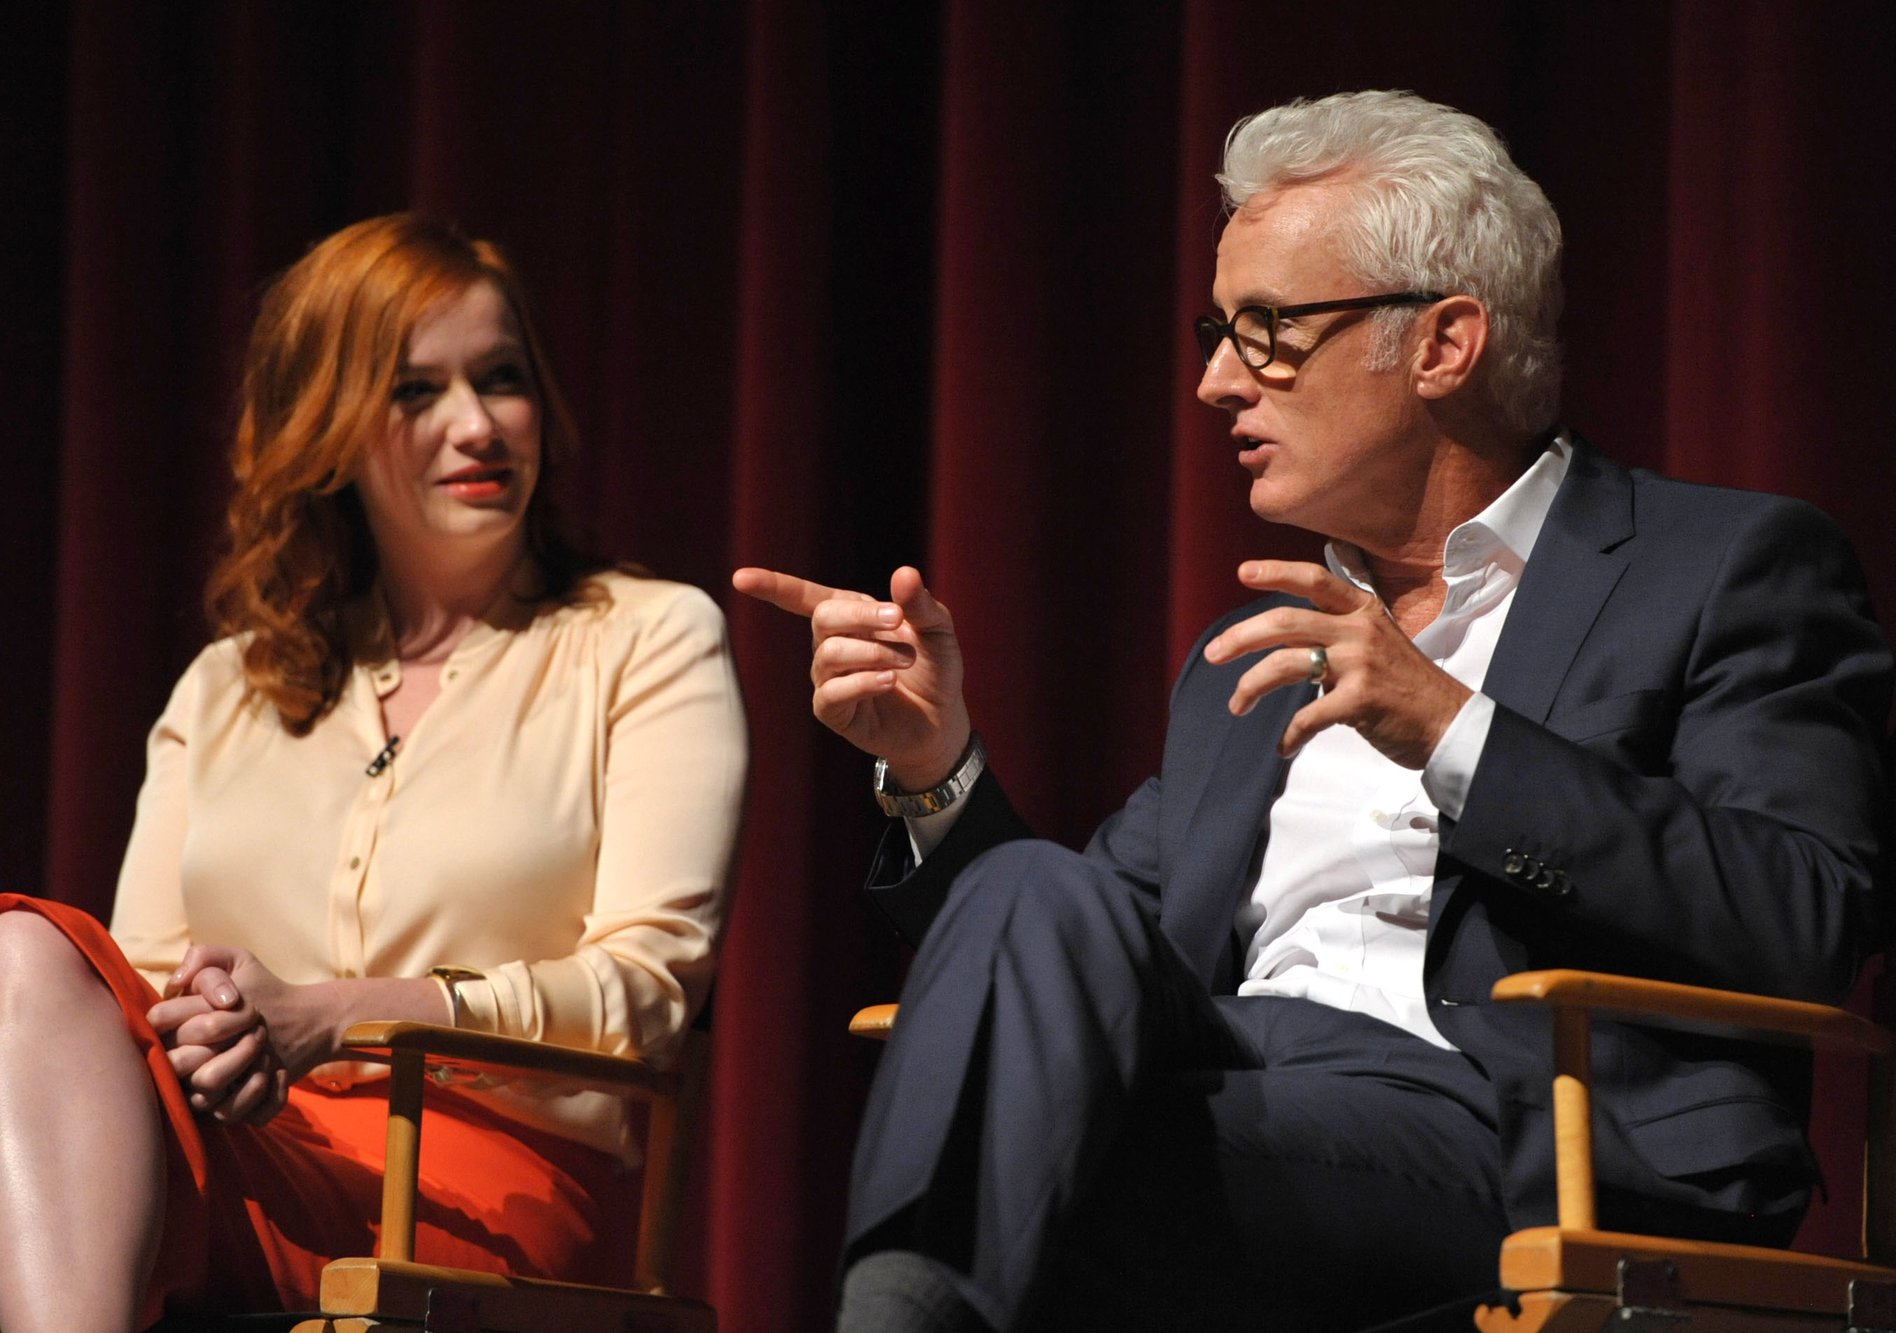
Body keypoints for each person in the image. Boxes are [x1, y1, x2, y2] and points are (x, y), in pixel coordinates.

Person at [734, 90, 1892, 1331]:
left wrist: (1455, 729)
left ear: (1442, 343)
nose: (1215, 383)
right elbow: (1085, 947)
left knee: (1050, 1171)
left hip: (1510, 1135)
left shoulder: (1723, 567)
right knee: (1033, 900)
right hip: (1238, 1068)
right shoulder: (1259, 655)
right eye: (1216, 332)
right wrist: (938, 769)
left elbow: (1805, 907)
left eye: (1269, 329)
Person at [0, 214, 747, 1330]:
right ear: (333, 431)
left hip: (489, 1182)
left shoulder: (647, 639)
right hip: (249, 1155)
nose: (477, 424)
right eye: (415, 391)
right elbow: (145, 986)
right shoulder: (228, 688)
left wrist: (332, 1017)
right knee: (23, 960)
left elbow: (647, 991)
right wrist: (218, 1038)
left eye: (503, 379)